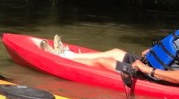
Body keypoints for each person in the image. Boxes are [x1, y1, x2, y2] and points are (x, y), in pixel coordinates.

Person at [41, 33, 179, 85]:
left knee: (103, 62)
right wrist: (152, 51)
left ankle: (60, 58)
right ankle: (66, 54)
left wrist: (147, 69)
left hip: (158, 76)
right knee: (115, 52)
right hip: (150, 64)